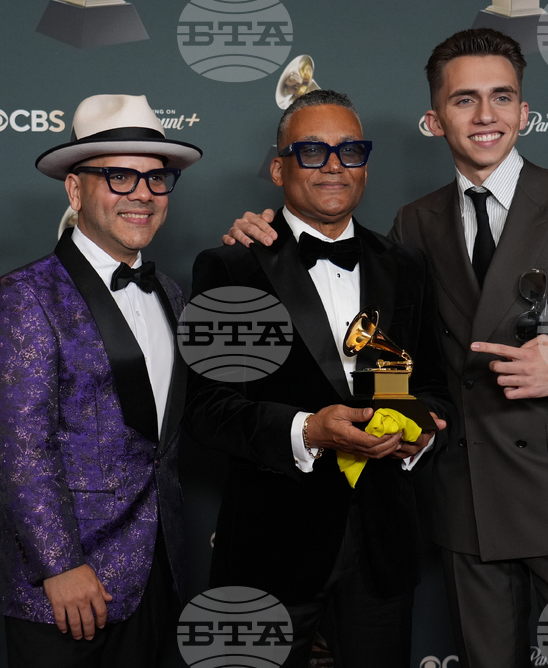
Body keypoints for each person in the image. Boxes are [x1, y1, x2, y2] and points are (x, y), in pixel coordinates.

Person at [223, 30, 548, 668]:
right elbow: (358, 315)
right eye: (465, 100)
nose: (486, 115)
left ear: (525, 110)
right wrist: (263, 235)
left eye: (503, 97)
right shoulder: (414, 221)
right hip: (466, 497)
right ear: (436, 119)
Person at [186, 89, 452, 667]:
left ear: (365, 164)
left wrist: (419, 433)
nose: (334, 165)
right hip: (269, 550)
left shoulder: (404, 266)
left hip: (381, 547)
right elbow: (208, 409)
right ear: (279, 167)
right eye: (311, 151)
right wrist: (308, 430)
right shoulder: (231, 265)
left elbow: (429, 385)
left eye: (350, 150)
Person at [0, 94, 201, 668]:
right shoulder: (24, 296)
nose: (143, 194)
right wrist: (59, 564)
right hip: (69, 587)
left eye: (156, 178)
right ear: (75, 191)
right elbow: (19, 448)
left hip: (161, 573)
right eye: (120, 176)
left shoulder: (171, 294)